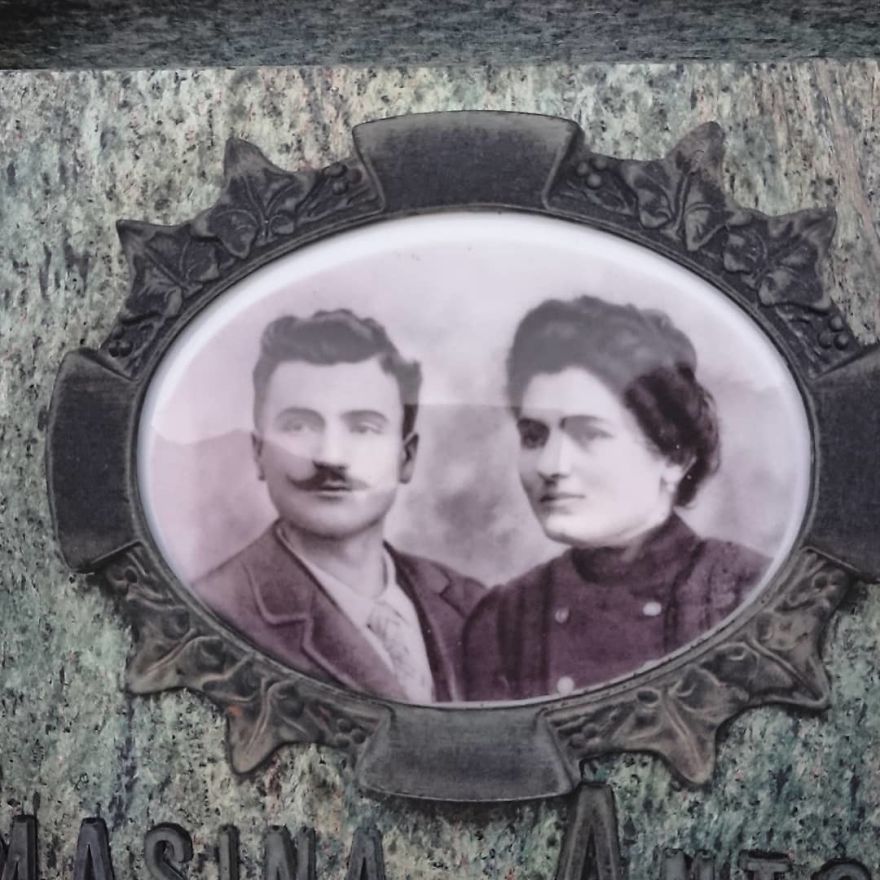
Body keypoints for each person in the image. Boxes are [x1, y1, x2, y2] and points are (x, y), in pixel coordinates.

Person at [464, 295, 769, 702]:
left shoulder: (749, 593)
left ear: (674, 458)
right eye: (534, 437)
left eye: (589, 434)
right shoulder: (505, 621)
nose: (551, 465)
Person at [194, 309, 484, 704]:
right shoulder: (212, 611)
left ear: (407, 457)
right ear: (259, 453)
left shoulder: (473, 606)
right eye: (299, 426)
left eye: (363, 428)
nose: (331, 457)